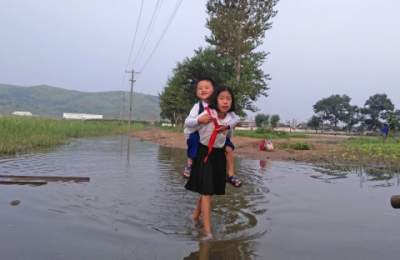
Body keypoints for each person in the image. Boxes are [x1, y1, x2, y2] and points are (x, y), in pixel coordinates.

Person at [185, 86, 236, 239]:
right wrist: (199, 119)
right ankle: (208, 232)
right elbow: (188, 123)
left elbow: (230, 134)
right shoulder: (207, 113)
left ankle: (195, 216)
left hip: (218, 155)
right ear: (215, 100)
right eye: (222, 98)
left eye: (228, 98)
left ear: (232, 102)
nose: (225, 101)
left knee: (209, 191)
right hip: (204, 153)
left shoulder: (230, 118)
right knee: (206, 192)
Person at [183, 78, 242, 187]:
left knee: (229, 149)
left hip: (219, 136)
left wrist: (227, 126)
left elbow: (236, 119)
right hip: (200, 134)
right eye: (200, 88)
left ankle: (230, 175)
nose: (203, 90)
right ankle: (190, 165)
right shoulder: (198, 107)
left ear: (214, 91)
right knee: (194, 143)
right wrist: (199, 120)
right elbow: (187, 122)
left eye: (207, 87)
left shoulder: (221, 105)